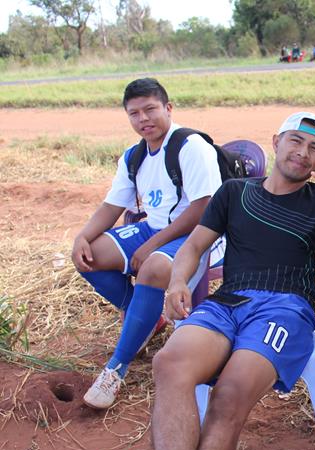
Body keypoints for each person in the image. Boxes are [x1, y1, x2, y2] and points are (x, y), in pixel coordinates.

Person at [99, 112, 315, 450]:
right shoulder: (234, 192)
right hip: (227, 303)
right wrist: (178, 280)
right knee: (170, 364)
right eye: (295, 141)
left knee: (230, 393)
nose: (302, 153)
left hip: (285, 309)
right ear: (275, 141)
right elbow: (195, 245)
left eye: (314, 149)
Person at [72, 78, 221, 410]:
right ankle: (148, 314)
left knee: (153, 265)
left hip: (201, 233)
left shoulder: (190, 145)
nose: (143, 119)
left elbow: (203, 208)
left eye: (150, 109)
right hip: (156, 229)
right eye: (134, 113)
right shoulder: (134, 156)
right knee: (89, 257)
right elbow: (113, 206)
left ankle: (116, 368)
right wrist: (81, 236)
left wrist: (153, 242)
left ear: (168, 108)